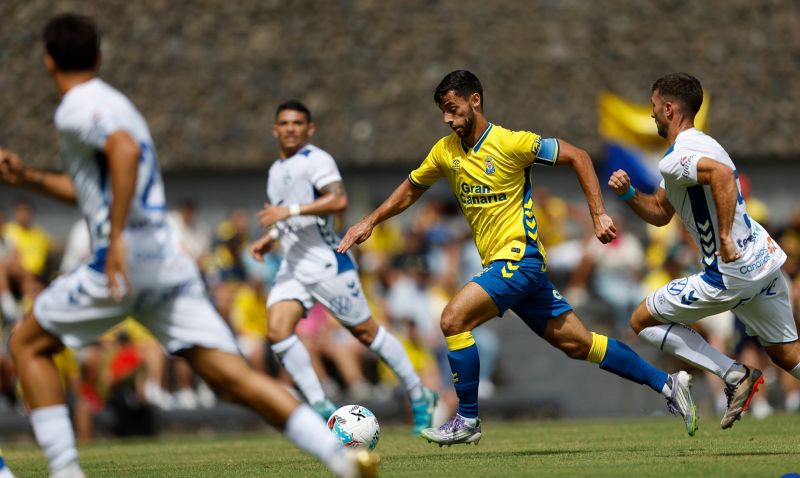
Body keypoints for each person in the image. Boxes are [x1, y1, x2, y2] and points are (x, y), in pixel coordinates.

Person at [0, 14, 377, 478]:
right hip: (166, 261)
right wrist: (29, 178)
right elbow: (101, 182)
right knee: (233, 378)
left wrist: (114, 237)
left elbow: (123, 152)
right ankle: (342, 457)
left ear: (48, 61)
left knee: (27, 344)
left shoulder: (76, 105)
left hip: (121, 260)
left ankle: (65, 472)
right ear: (99, 58)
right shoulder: (118, 103)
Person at [338, 70, 697, 445]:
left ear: (474, 100)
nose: (448, 118)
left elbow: (578, 155)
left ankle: (467, 419)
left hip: (518, 260)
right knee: (579, 343)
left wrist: (597, 214)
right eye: (443, 112)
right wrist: (371, 220)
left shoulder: (512, 143)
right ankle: (669, 384)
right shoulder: (445, 152)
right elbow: (412, 189)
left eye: (452, 108)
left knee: (452, 319)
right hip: (512, 270)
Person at [608, 72, 800, 429]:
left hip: (729, 274)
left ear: (668, 108)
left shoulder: (677, 158)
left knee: (641, 321)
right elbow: (661, 213)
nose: (651, 115)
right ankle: (738, 375)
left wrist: (724, 236)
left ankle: (734, 375)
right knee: (787, 355)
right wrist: (629, 193)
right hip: (765, 261)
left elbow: (723, 179)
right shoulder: (704, 145)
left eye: (653, 107)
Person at [250, 100, 437, 434]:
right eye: (285, 123)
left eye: (298, 123)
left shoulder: (317, 160)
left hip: (326, 262)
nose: (291, 128)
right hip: (293, 265)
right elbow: (287, 215)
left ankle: (419, 394)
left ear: (310, 129)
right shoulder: (275, 171)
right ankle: (320, 406)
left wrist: (288, 213)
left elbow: (338, 201)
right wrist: (272, 236)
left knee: (366, 332)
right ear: (275, 130)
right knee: (277, 331)